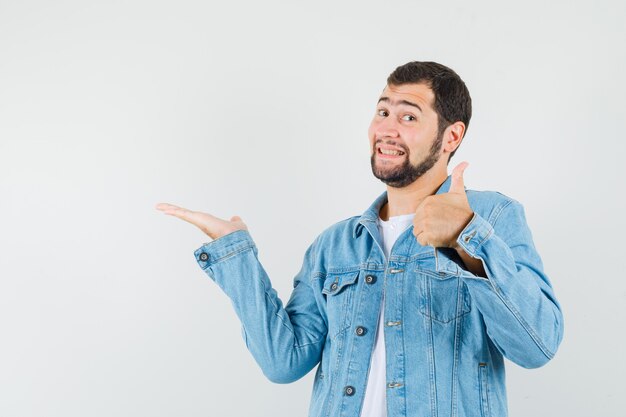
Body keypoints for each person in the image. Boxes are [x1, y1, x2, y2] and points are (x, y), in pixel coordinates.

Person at [155, 61, 564, 417]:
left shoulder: (493, 218)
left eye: (408, 117)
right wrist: (236, 254)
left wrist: (466, 238)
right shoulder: (335, 245)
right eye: (382, 111)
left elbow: (537, 347)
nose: (386, 128)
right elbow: (284, 362)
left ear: (451, 137)